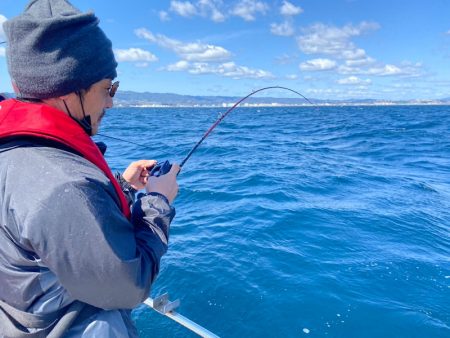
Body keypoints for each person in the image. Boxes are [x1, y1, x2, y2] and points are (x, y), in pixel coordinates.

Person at [0, 0, 179, 336]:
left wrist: (121, 188)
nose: (111, 102)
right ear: (68, 88)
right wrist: (158, 202)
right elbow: (127, 286)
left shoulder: (13, 153)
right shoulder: (62, 184)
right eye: (107, 88)